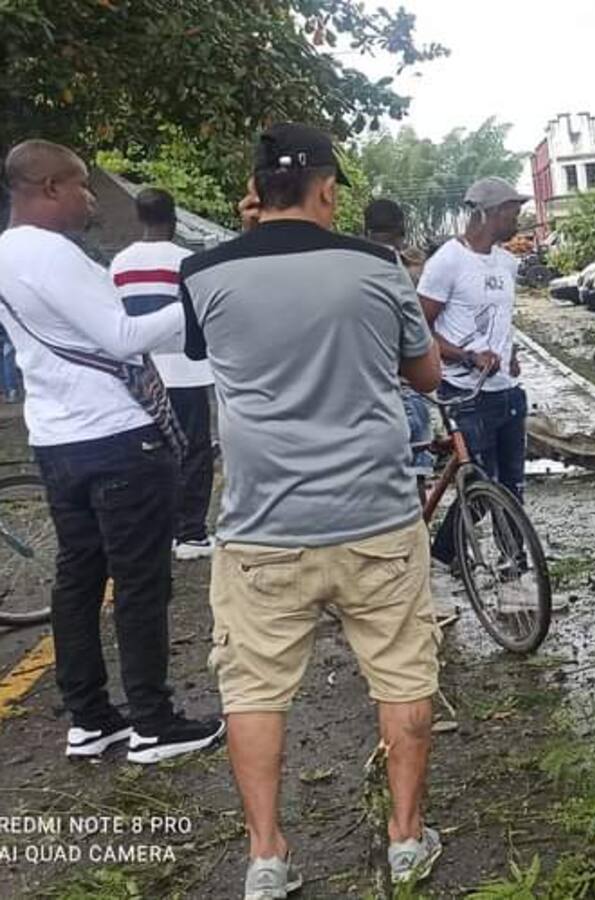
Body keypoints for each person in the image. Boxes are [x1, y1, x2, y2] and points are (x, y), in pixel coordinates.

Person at [179, 123, 444, 899]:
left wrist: (247, 233)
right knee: (402, 676)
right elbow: (424, 378)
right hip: (378, 520)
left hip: (263, 531)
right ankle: (404, 841)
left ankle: (267, 856)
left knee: (255, 690)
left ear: (257, 192)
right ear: (327, 188)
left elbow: (215, 347)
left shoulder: (203, 272)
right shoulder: (377, 264)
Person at [0, 140, 224, 762]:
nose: (90, 198)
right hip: (118, 439)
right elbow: (121, 338)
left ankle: (90, 718)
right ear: (47, 188)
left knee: (77, 578)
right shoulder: (51, 254)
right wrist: (193, 308)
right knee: (140, 582)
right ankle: (154, 723)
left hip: (56, 439)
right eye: (79, 185)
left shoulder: (5, 253)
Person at [417, 177, 528, 567]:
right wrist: (465, 356)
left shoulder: (506, 262)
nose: (518, 218)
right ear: (488, 213)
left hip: (507, 389)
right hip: (465, 393)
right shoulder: (447, 262)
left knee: (512, 485)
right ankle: (447, 552)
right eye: (512, 212)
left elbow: (503, 319)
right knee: (480, 486)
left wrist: (509, 352)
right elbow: (420, 330)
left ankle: (514, 564)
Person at [110, 189, 216, 559]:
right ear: (173, 218)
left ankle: (161, 530)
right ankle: (191, 534)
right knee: (195, 450)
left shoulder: (119, 264)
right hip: (186, 370)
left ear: (140, 217)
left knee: (152, 452)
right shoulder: (188, 262)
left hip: (140, 373)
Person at [365, 198, 434, 477]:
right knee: (417, 475)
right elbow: (426, 366)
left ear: (365, 229)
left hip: (369, 398)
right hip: (410, 388)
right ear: (402, 230)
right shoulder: (412, 270)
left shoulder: (351, 270)